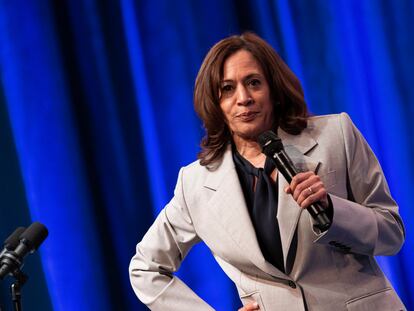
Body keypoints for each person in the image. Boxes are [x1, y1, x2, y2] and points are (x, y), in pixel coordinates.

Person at [129, 32, 406, 310]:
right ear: (215, 103)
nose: (244, 98)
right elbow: (145, 268)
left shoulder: (336, 136)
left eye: (253, 83)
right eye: (227, 88)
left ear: (274, 90)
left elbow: (391, 234)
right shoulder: (195, 184)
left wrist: (333, 212)